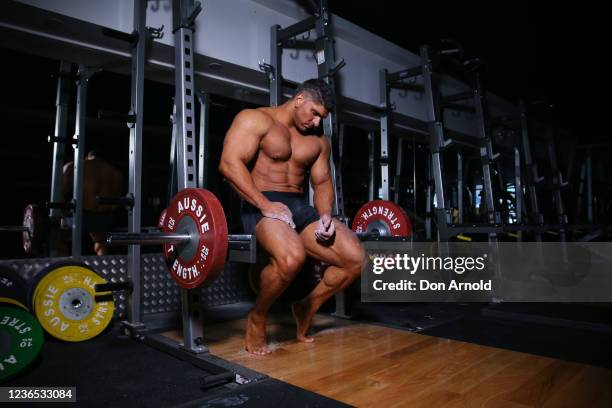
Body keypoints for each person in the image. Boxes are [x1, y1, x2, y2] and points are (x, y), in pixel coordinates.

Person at [219, 79, 366, 355]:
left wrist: (324, 215)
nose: (315, 122)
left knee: (355, 260)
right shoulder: (256, 119)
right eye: (314, 113)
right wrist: (265, 204)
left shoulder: (319, 142)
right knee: (292, 259)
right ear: (299, 99)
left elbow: (321, 183)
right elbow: (229, 164)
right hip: (260, 201)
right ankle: (258, 316)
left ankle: (306, 305)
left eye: (321, 118)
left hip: (299, 207)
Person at [63, 150, 124, 255]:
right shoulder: (116, 173)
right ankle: (102, 267)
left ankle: (62, 266)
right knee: (101, 242)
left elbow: (61, 193)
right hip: (104, 218)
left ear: (88, 156)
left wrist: (63, 214)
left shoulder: (75, 166)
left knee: (59, 234)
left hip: (81, 215)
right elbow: (119, 200)